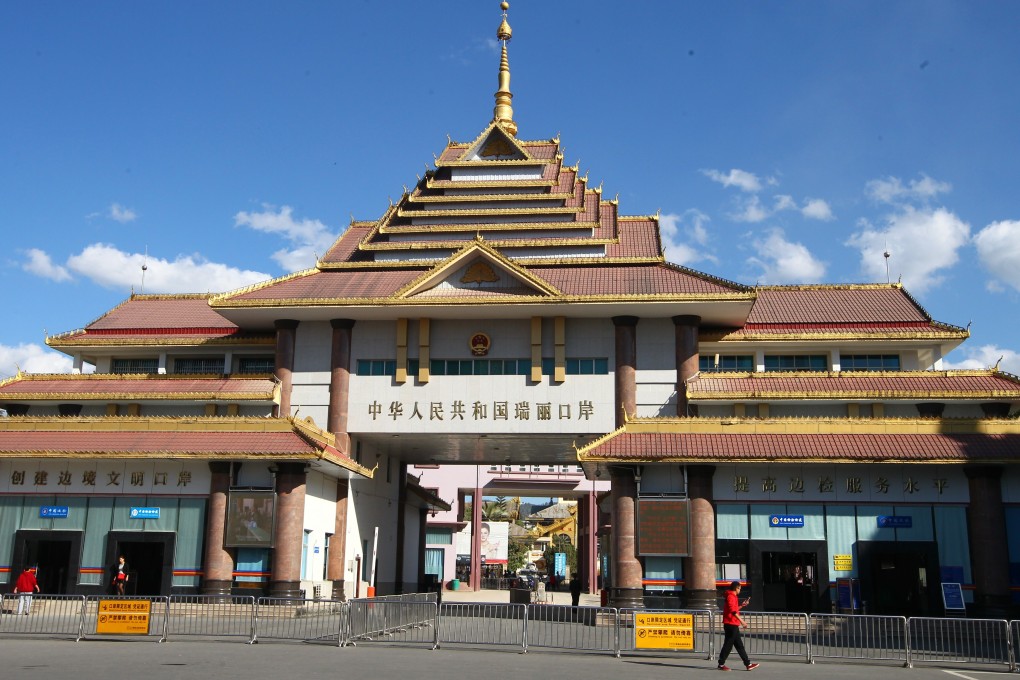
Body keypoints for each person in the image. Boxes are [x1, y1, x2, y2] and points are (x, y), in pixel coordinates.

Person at [718, 580, 759, 671]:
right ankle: (721, 664)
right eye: (739, 588)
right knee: (728, 645)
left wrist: (742, 605)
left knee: (739, 645)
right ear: (736, 588)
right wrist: (742, 621)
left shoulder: (732, 596)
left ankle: (748, 664)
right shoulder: (731, 597)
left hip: (732, 623)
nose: (740, 590)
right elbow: (733, 611)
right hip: (730, 623)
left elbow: (733, 609)